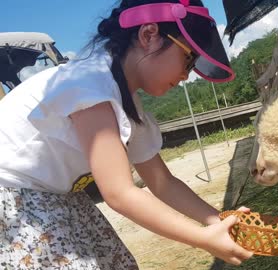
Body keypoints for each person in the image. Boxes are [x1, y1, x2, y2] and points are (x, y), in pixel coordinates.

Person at [0, 0, 254, 268]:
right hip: (15, 198)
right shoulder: (90, 84)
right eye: (188, 58)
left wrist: (221, 221)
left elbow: (162, 182)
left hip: (57, 196)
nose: (186, 75)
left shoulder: (127, 104)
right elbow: (119, 193)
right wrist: (204, 239)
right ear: (149, 35)